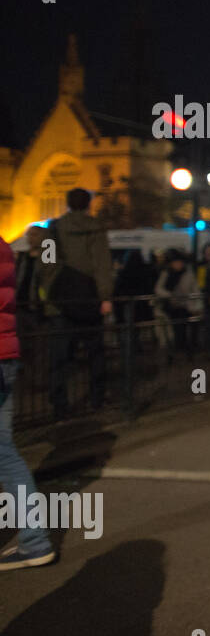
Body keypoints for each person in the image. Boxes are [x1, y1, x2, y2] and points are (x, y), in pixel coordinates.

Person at [0, 234, 57, 571]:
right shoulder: (4, 246)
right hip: (5, 355)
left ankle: (35, 540)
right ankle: (34, 540)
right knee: (6, 453)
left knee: (5, 453)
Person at [37, 189, 113, 419]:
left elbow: (46, 262)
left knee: (59, 355)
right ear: (88, 204)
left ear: (67, 204)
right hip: (89, 297)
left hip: (62, 299)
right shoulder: (96, 228)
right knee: (95, 352)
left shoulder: (53, 228)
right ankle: (97, 397)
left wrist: (53, 289)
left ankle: (59, 403)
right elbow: (102, 265)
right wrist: (105, 297)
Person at [154, 249, 201, 362]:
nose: (178, 265)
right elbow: (158, 289)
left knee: (184, 329)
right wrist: (170, 296)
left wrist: (196, 305)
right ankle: (174, 352)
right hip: (169, 308)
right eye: (175, 262)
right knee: (172, 332)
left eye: (179, 262)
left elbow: (195, 290)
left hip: (185, 307)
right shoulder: (166, 274)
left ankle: (184, 351)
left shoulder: (188, 274)